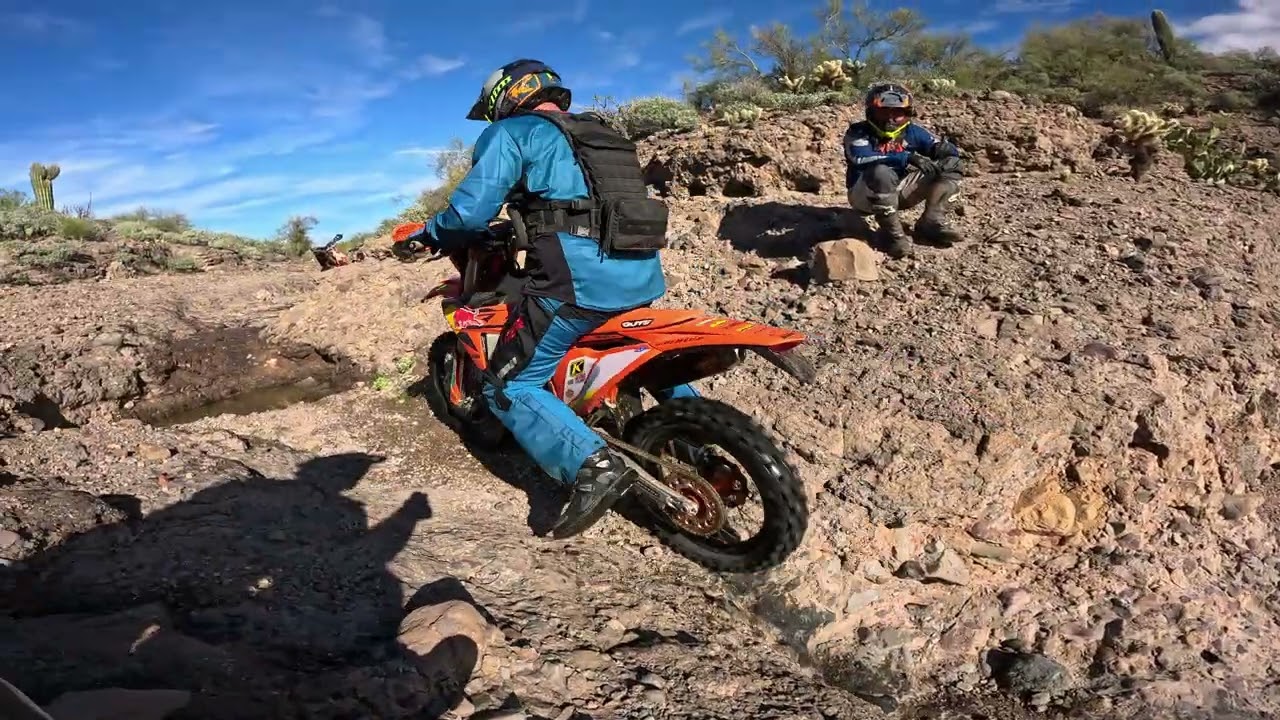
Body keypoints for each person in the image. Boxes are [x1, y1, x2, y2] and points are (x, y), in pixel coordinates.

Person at [394, 59, 698, 539]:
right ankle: (698, 439)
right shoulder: (604, 135)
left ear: (506, 97)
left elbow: (469, 214)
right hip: (641, 278)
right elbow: (592, 204)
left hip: (577, 286)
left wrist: (428, 234)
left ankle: (594, 466)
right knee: (653, 362)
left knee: (509, 384)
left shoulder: (512, 133)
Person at [842, 82, 964, 259]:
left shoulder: (913, 132)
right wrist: (907, 157)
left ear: (907, 113)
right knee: (881, 172)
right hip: (865, 194)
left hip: (899, 190)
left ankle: (932, 221)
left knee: (952, 164)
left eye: (897, 113)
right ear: (871, 112)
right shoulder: (858, 132)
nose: (890, 118)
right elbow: (860, 158)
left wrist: (945, 150)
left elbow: (942, 149)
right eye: (884, 112)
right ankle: (894, 236)